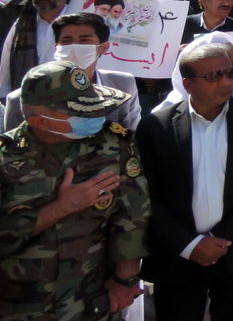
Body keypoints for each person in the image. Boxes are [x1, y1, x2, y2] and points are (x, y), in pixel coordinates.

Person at [136, 42, 233, 321]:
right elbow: (146, 194)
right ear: (188, 83)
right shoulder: (156, 126)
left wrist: (220, 238)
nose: (227, 82)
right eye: (214, 76)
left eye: (230, 73)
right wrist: (190, 244)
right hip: (177, 255)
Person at [0, 61, 149, 319]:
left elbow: (133, 216)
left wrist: (125, 281)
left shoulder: (114, 145)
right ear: (38, 120)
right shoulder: (6, 157)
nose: (94, 119)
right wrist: (61, 208)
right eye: (81, 113)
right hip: (21, 304)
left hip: (92, 299)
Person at [4, 11, 140, 131]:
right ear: (56, 47)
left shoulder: (123, 85)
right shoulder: (20, 99)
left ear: (103, 47)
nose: (75, 46)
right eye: (66, 41)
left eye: (85, 40)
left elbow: (132, 135)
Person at [0, 0, 74, 96]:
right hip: (28, 97)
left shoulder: (79, 21)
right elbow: (7, 60)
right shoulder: (23, 24)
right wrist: (4, 95)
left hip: (70, 95)